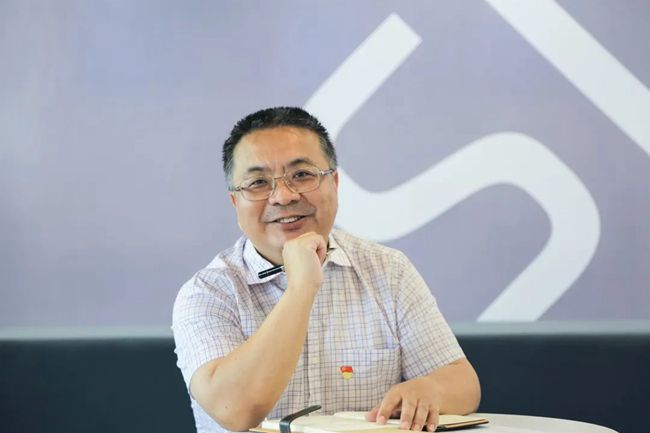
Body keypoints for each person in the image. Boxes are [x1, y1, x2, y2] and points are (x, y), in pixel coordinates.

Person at [172, 107, 481, 433]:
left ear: (334, 182)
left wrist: (429, 390)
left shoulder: (388, 270)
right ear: (236, 203)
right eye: (258, 182)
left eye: (302, 175)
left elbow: (463, 383)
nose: (284, 196)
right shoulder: (207, 292)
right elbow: (234, 409)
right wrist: (301, 288)